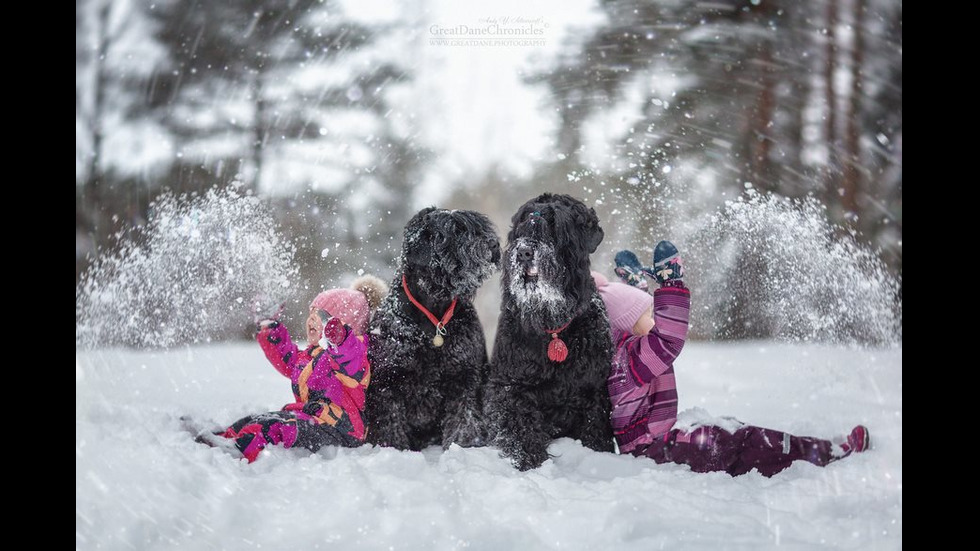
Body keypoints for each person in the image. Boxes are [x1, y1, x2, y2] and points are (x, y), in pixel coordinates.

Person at [598, 241, 869, 477]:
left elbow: (631, 312)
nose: (656, 318)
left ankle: (811, 449)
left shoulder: (623, 348)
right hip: (658, 451)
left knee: (731, 430)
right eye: (649, 314)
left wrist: (635, 286)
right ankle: (822, 455)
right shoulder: (631, 361)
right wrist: (672, 285)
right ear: (629, 325)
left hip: (655, 444)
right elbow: (670, 337)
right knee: (743, 441)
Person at [203, 275, 387, 462]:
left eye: (321, 315)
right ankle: (223, 438)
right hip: (312, 418)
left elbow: (350, 355)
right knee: (256, 419)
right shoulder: (311, 355)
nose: (311, 320)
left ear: (343, 324)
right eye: (311, 313)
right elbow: (286, 358)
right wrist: (268, 325)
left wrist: (340, 337)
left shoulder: (354, 353)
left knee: (272, 426)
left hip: (340, 429)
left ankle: (237, 452)